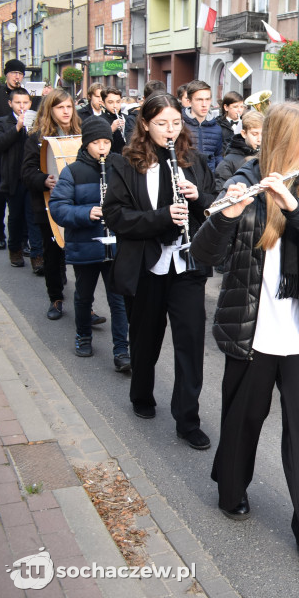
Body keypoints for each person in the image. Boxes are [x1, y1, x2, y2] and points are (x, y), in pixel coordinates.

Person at [192, 102, 299, 572]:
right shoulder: (241, 179)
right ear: (285, 142)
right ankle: (232, 486)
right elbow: (205, 255)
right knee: (244, 417)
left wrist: (291, 203)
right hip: (252, 325)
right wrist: (227, 214)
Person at [102, 92, 215, 450]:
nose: (170, 130)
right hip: (148, 265)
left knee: (190, 343)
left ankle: (187, 418)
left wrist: (198, 199)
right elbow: (116, 216)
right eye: (162, 123)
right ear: (146, 125)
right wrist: (161, 217)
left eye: (176, 123)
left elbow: (215, 209)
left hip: (186, 264)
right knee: (145, 337)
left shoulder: (193, 161)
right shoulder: (125, 164)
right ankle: (142, 395)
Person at [48, 118, 130, 370]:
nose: (102, 148)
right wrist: (87, 212)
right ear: (86, 144)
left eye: (106, 142)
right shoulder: (72, 171)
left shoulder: (120, 165)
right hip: (85, 244)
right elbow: (58, 208)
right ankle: (83, 336)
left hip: (115, 245)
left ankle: (121, 350)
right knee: (84, 296)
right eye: (96, 143)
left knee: (118, 300)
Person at [21, 89, 79, 317]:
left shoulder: (80, 133)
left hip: (78, 204)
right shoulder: (36, 137)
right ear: (50, 110)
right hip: (49, 204)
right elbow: (26, 172)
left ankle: (86, 305)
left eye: (68, 107)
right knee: (53, 253)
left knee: (83, 254)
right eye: (60, 107)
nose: (65, 111)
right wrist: (45, 179)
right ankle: (55, 298)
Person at [0, 87, 38, 267]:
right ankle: (15, 250)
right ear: (10, 103)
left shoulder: (36, 121)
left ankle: (37, 255)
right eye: (18, 102)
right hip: (13, 176)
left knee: (34, 216)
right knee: (15, 216)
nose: (22, 106)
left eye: (25, 102)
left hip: (33, 175)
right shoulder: (2, 122)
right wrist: (18, 127)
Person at [214, 110, 263, 192]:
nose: (260, 139)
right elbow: (222, 193)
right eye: (255, 134)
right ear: (244, 134)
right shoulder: (228, 162)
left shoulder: (266, 156)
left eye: (263, 134)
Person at [182, 80, 225, 172]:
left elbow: (218, 156)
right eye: (199, 100)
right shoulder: (180, 125)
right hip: (186, 178)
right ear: (189, 101)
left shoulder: (217, 128)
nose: (204, 104)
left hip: (209, 180)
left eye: (207, 99)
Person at [101, 87, 130, 155]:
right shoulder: (99, 120)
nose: (115, 106)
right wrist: (111, 130)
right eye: (110, 102)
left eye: (118, 102)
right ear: (103, 103)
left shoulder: (127, 117)